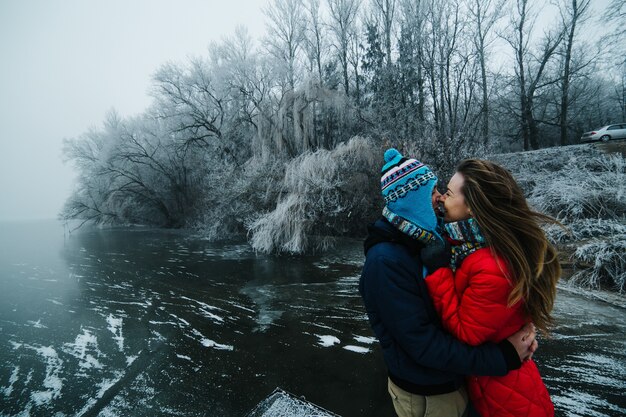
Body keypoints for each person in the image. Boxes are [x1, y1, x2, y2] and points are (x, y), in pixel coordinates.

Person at [359, 149, 537, 417]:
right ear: (414, 200)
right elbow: (424, 346)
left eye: (443, 191)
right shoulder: (386, 262)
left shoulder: (428, 239)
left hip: (456, 381)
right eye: (432, 192)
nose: (439, 198)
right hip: (428, 394)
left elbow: (483, 299)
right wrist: (503, 357)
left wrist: (518, 327)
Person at [425, 159, 559, 417]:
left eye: (449, 193)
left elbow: (467, 333)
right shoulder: (471, 246)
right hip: (495, 387)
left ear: (473, 208)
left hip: (507, 402)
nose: (441, 198)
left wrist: (438, 271)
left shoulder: (492, 266)